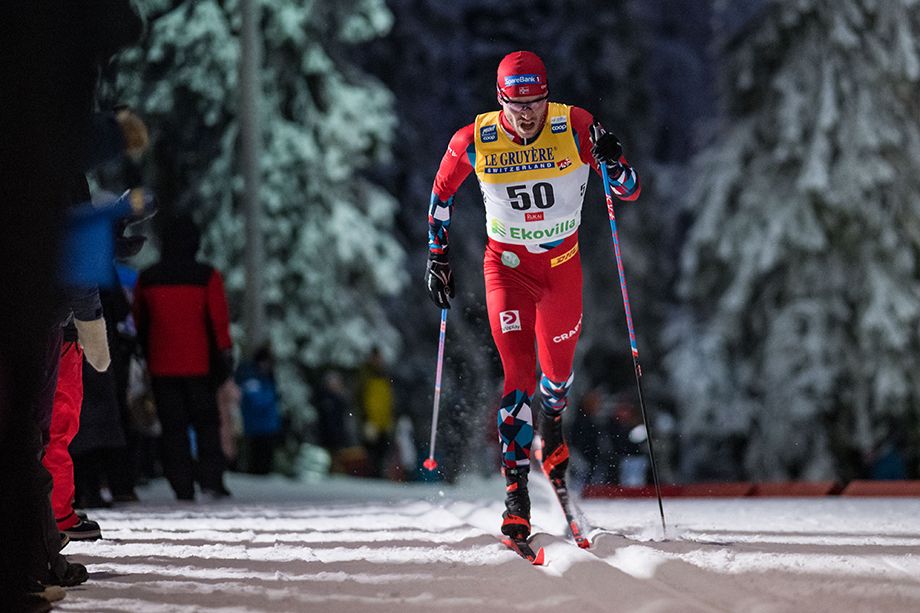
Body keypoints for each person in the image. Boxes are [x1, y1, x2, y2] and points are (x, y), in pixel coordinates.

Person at [424, 51, 640, 540]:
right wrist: (437, 257)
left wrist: (613, 160)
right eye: (516, 104)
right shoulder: (474, 139)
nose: (527, 115)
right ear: (500, 98)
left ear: (548, 95)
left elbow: (627, 190)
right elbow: (440, 196)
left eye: (536, 102)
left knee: (557, 379)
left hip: (562, 269)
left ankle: (553, 424)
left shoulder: (575, 125)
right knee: (518, 375)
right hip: (508, 270)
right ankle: (516, 495)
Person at [134, 214, 235, 500]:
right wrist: (225, 355)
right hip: (200, 365)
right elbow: (218, 321)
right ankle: (211, 480)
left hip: (161, 364)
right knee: (206, 424)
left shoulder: (149, 277)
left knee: (172, 428)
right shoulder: (207, 276)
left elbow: (140, 321)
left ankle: (182, 484)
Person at [235, 344, 281, 474]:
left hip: (269, 426)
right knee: (256, 461)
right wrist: (272, 398)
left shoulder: (268, 379)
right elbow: (257, 402)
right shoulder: (251, 380)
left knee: (266, 461)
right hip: (256, 426)